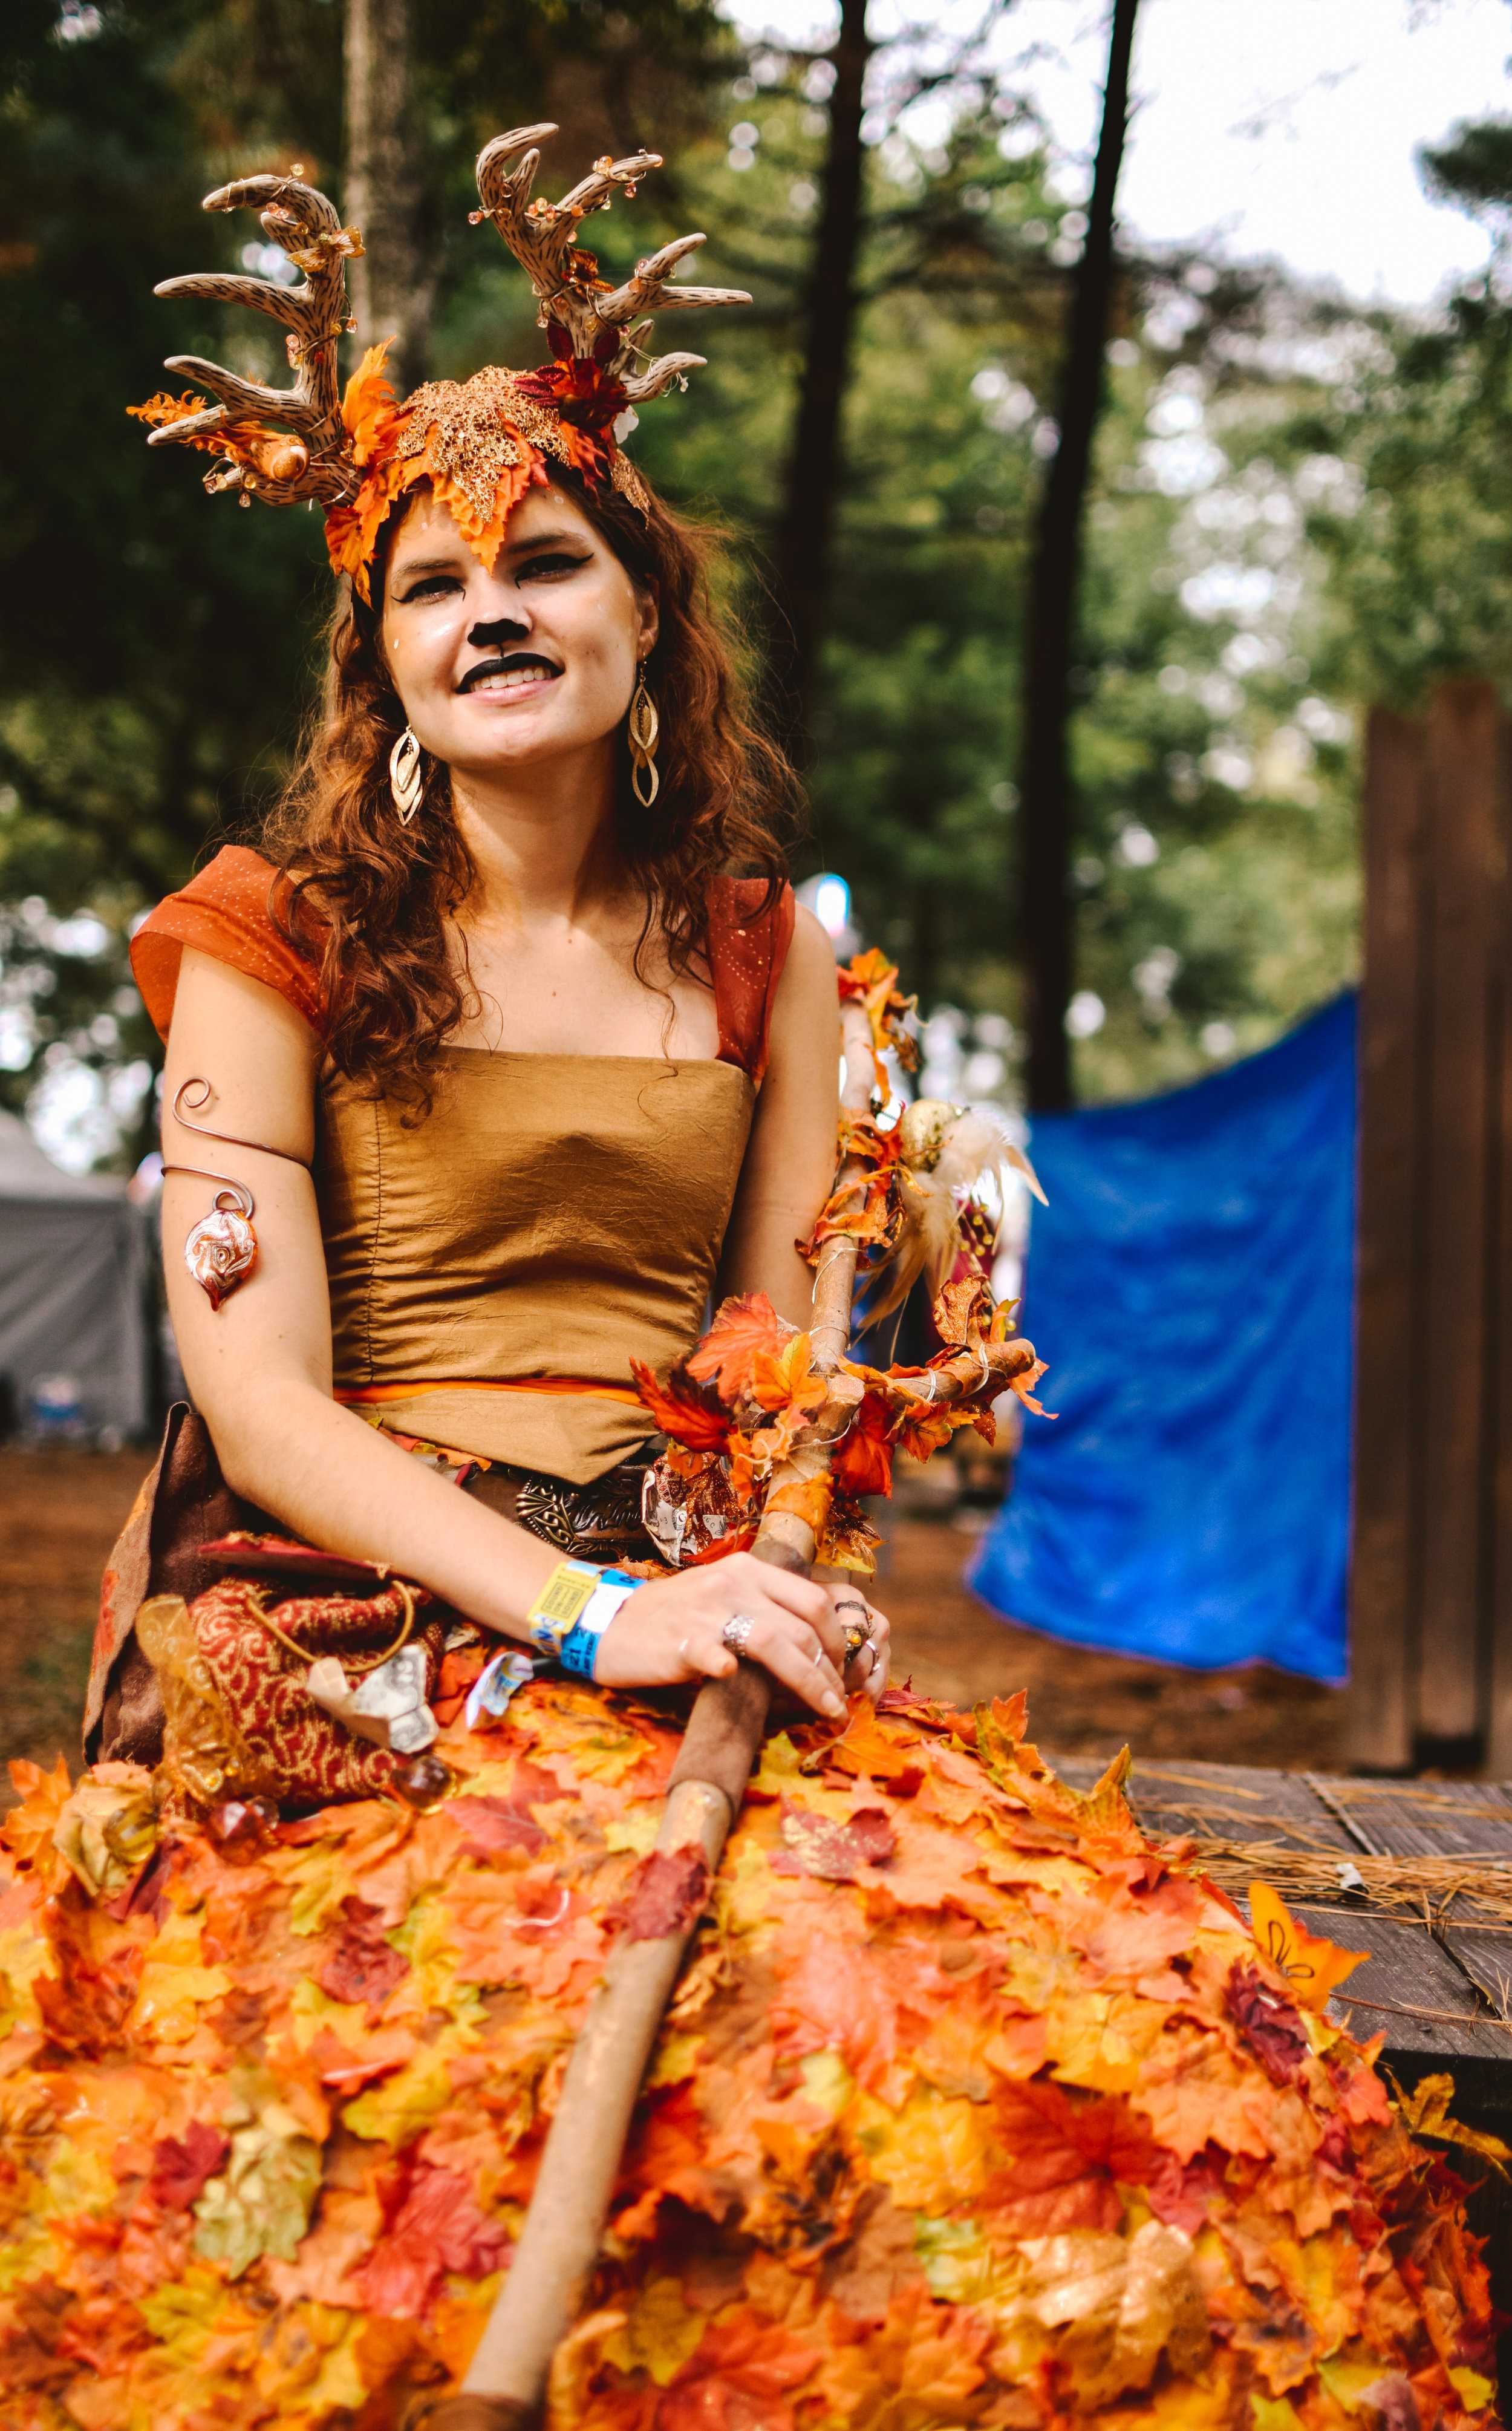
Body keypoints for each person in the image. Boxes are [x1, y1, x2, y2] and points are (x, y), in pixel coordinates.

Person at [0, 129, 1496, 2431]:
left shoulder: (758, 947)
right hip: (344, 1598)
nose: (489, 606)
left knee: (1008, 2014)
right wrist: (590, 1619)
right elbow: (259, 1393)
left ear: (640, 622)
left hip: (695, 1581)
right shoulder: (263, 938)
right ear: (379, 656)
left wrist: (784, 1507)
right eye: (429, 584)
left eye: (546, 558)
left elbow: (792, 1345)